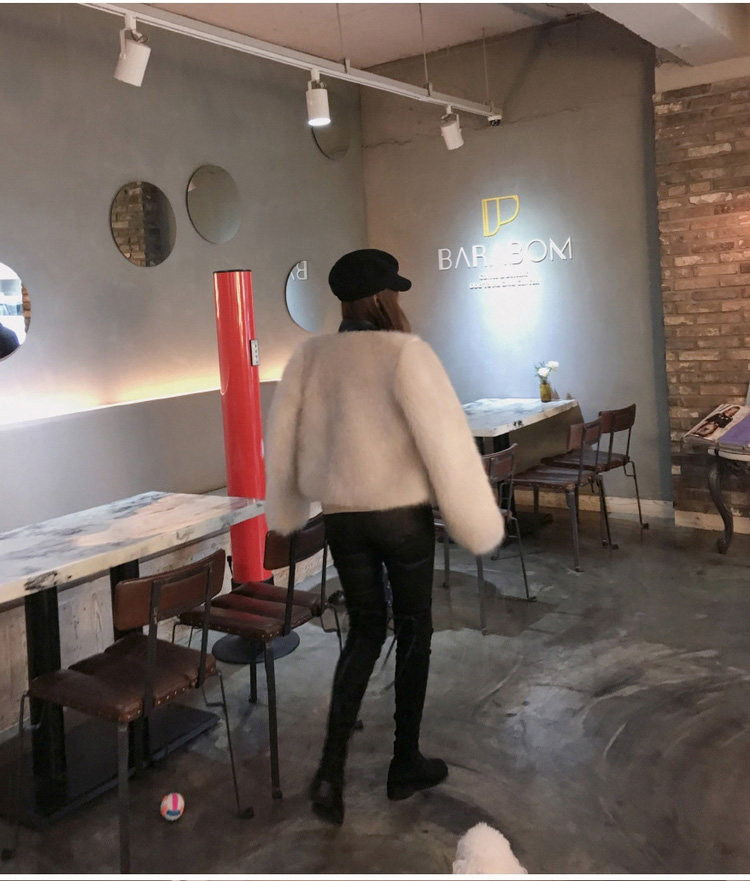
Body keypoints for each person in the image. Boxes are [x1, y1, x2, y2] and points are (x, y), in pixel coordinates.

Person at [264, 248, 504, 825]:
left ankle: (330, 770)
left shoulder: (310, 358)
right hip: (400, 516)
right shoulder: (405, 353)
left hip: (343, 516)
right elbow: (444, 441)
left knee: (365, 631)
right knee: (415, 629)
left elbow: (283, 439)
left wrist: (288, 506)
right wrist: (474, 518)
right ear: (379, 297)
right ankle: (404, 762)